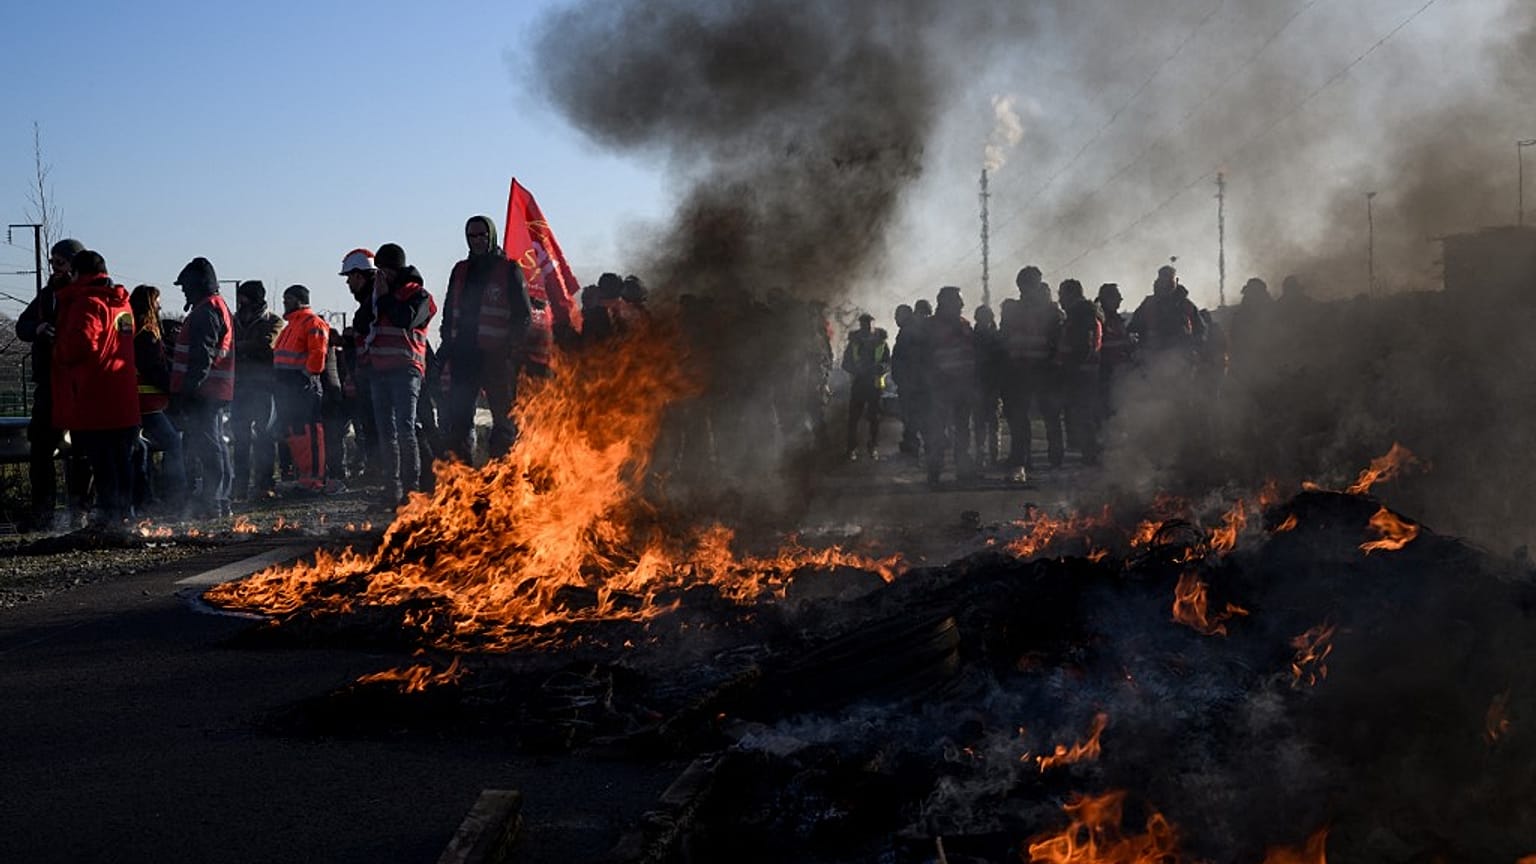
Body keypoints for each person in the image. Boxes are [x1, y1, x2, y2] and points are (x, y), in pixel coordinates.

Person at [52, 250, 140, 527]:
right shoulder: (122, 305)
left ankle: (109, 517)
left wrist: (58, 349)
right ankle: (125, 514)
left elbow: (81, 345)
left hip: (95, 397)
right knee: (122, 460)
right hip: (124, 397)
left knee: (101, 462)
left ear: (77, 274)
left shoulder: (88, 303)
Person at [440, 216, 531, 463]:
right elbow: (449, 313)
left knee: (503, 421)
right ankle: (461, 481)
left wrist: (510, 352)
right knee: (459, 422)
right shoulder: (460, 271)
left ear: (491, 235)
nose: (477, 240)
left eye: (481, 235)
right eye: (472, 236)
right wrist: (446, 347)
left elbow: (523, 316)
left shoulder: (509, 269)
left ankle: (500, 477)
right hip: (464, 357)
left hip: (496, 358)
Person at [15, 238, 90, 530]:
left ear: (74, 263)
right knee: (41, 446)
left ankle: (81, 509)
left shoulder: (86, 296)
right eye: (53, 263)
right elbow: (23, 326)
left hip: (77, 384)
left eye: (60, 262)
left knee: (83, 447)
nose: (55, 268)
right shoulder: (48, 297)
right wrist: (39, 328)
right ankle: (44, 511)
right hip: (49, 381)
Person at [368, 243, 436, 504]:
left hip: (406, 370)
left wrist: (385, 298)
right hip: (379, 371)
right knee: (387, 433)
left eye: (384, 270)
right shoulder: (377, 294)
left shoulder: (420, 296)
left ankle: (412, 489)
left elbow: (404, 319)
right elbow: (365, 320)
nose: (381, 276)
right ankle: (392, 489)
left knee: (405, 429)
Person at [170, 256, 236, 519]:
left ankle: (213, 501)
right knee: (215, 444)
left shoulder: (206, 310)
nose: (183, 291)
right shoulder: (217, 307)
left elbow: (201, 357)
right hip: (214, 390)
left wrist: (187, 392)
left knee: (209, 446)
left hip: (205, 393)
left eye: (185, 286)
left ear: (196, 285)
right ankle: (219, 499)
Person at [999, 266, 1063, 482]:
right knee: (1019, 418)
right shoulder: (1012, 310)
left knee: (1050, 416)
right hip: (1019, 372)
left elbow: (1058, 342)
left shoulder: (1051, 312)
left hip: (1044, 371)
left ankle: (1055, 459)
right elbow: (1004, 339)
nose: (1032, 288)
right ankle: (1021, 459)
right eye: (1029, 283)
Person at [128, 285, 184, 509]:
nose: (161, 305)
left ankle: (145, 497)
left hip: (137, 402)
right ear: (151, 303)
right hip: (149, 404)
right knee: (173, 443)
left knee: (141, 449)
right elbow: (154, 369)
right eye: (158, 301)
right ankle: (175, 495)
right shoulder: (147, 334)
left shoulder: (132, 329)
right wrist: (175, 386)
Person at [271, 285, 329, 493]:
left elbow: (318, 353)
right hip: (288, 387)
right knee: (295, 432)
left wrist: (306, 376)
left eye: (288, 299)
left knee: (309, 432)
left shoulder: (311, 322)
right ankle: (304, 476)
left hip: (303, 386)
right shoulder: (291, 325)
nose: (285, 302)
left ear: (298, 300)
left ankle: (314, 478)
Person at [229, 280, 282, 501]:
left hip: (264, 388)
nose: (240, 302)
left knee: (265, 437)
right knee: (240, 438)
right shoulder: (234, 320)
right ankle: (240, 486)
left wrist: (239, 348)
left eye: (244, 298)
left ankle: (264, 485)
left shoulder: (273, 321)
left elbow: (267, 345)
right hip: (239, 387)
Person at [922, 286, 977, 486]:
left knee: (962, 429)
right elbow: (923, 357)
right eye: (958, 301)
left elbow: (972, 355)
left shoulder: (964, 325)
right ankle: (934, 470)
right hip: (939, 386)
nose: (962, 305)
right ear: (945, 303)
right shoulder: (930, 326)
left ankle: (962, 469)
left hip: (962, 386)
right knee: (937, 430)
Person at [339, 248, 380, 481]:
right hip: (373, 373)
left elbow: (369, 335)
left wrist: (350, 337)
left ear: (359, 275)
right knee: (372, 425)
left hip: (376, 374)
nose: (348, 284)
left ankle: (379, 471)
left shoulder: (373, 302)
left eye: (349, 279)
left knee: (376, 426)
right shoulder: (372, 300)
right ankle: (377, 470)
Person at [1054, 279, 1104, 465]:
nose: (1060, 300)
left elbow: (1081, 347)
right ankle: (1089, 452)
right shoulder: (1084, 314)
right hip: (1084, 373)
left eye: (1062, 294)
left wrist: (1069, 368)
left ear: (1070, 294)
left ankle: (1090, 454)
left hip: (1081, 374)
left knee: (1084, 415)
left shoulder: (1081, 315)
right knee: (1083, 415)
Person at [840, 313, 889, 461]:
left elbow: (888, 362)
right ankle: (851, 448)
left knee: (874, 418)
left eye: (870, 325)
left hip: (874, 384)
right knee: (853, 418)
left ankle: (873, 446)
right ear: (860, 326)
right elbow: (845, 363)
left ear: (874, 326)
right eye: (864, 325)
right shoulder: (854, 343)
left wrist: (880, 368)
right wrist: (856, 370)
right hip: (859, 382)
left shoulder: (881, 343)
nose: (867, 328)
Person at [891, 302, 927, 458]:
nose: (896, 319)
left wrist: (902, 379)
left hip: (911, 383)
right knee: (916, 417)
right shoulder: (914, 330)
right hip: (916, 382)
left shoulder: (908, 332)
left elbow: (904, 359)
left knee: (912, 417)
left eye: (897, 316)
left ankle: (913, 449)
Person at [972, 304, 1006, 466]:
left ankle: (985, 453)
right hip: (987, 383)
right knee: (990, 422)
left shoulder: (972, 337)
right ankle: (991, 453)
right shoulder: (995, 337)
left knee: (984, 422)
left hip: (984, 383)